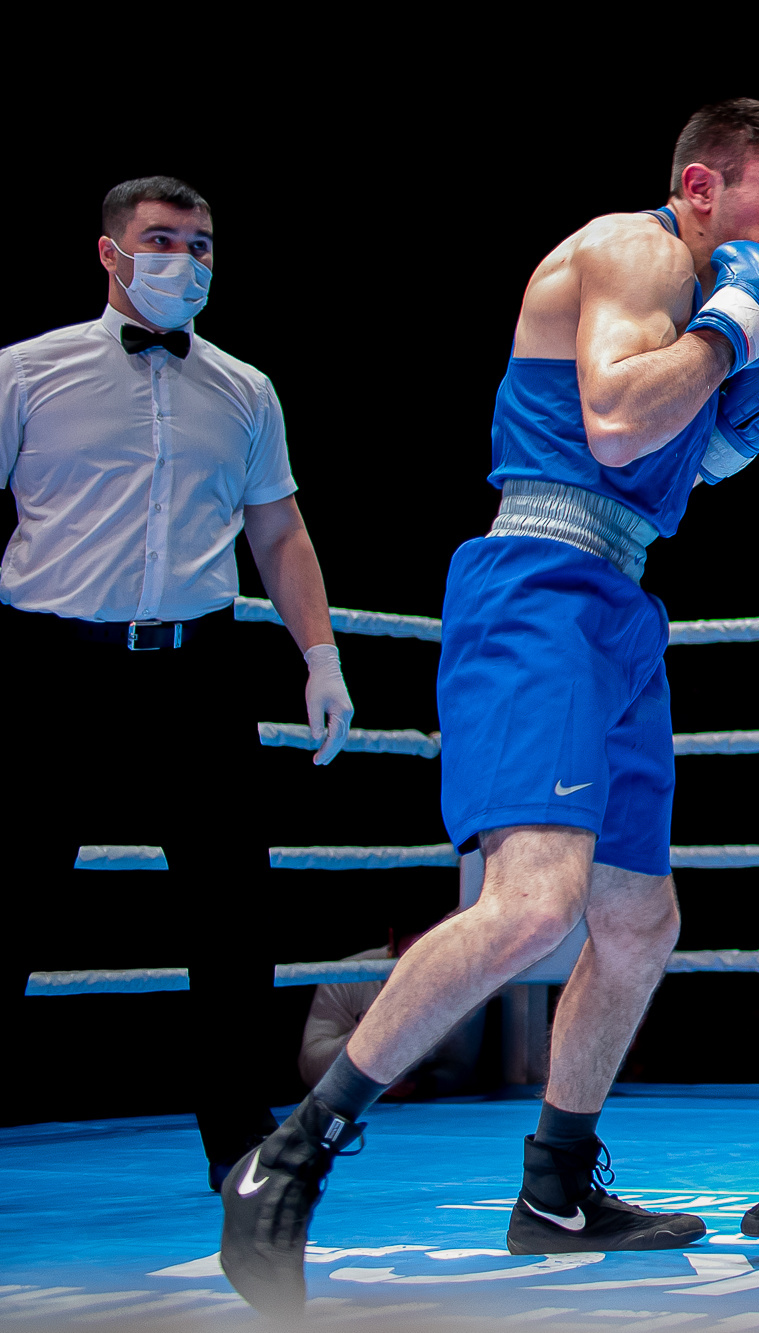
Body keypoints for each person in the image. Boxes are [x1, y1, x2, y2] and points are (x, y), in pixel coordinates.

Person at [220, 99, 759, 1315]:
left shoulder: (704, 296)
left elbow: (680, 453)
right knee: (531, 907)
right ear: (701, 185)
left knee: (637, 922)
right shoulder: (638, 250)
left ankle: (555, 1190)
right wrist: (736, 328)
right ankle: (288, 1155)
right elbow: (613, 423)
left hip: (615, 598)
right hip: (539, 586)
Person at [0, 175, 353, 1190]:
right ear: (108, 251)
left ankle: (241, 1141)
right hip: (48, 668)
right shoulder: (24, 373)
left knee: (232, 910)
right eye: (163, 240)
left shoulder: (244, 388)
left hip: (195, 669)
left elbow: (279, 531)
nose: (186, 261)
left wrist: (319, 654)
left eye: (202, 246)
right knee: (10, 899)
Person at [297, 916, 482, 1098]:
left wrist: (422, 1083)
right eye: (411, 953)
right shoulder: (347, 975)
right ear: (392, 939)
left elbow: (461, 1066)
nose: (419, 966)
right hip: (351, 1107)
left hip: (423, 1112)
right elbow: (310, 1069)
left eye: (431, 954)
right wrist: (369, 1033)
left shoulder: (463, 978)